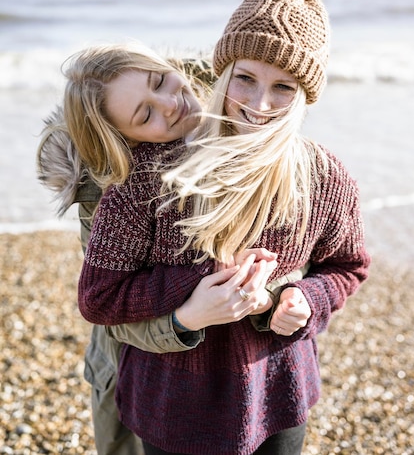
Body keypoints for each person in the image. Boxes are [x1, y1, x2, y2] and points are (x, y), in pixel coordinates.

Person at [77, 0, 370, 454]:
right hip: (170, 404)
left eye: (283, 87)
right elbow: (99, 296)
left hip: (277, 393)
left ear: (305, 95)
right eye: (245, 78)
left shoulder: (324, 177)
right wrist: (197, 287)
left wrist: (304, 300)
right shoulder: (150, 176)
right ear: (223, 70)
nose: (258, 104)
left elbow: (346, 266)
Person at [38, 45, 303, 455]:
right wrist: (185, 317)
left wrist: (283, 290)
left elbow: (302, 237)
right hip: (145, 368)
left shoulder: (240, 98)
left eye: (161, 81)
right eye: (145, 115)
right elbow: (107, 304)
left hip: (252, 365)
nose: (171, 104)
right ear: (125, 140)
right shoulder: (113, 192)